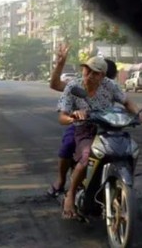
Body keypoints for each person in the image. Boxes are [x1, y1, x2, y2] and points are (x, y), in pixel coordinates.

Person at [57, 56, 142, 219]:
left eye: (95, 72)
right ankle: (70, 195)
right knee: (87, 155)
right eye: (87, 70)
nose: (89, 75)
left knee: (130, 149)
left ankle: (125, 184)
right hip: (84, 129)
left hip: (109, 127)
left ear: (102, 75)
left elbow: (127, 102)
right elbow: (62, 116)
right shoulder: (73, 86)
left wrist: (138, 113)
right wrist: (73, 117)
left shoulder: (110, 85)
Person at [47, 44, 119, 197]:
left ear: (105, 77)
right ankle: (61, 181)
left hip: (105, 127)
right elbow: (55, 85)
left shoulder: (111, 87)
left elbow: (126, 103)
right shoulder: (77, 84)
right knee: (67, 146)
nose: (93, 77)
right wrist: (60, 64)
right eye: (90, 72)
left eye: (98, 74)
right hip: (81, 125)